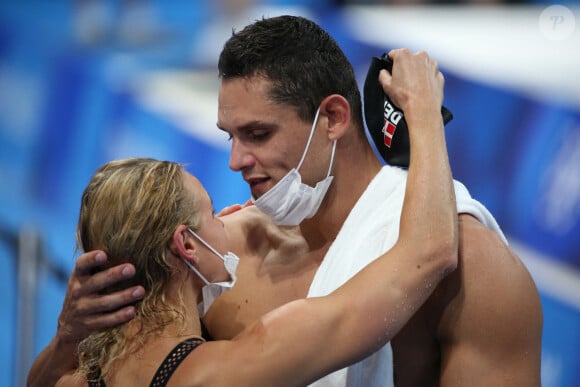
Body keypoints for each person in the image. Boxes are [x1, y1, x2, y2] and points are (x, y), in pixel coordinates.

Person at [28, 15, 542, 387]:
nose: (235, 160)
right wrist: (67, 337)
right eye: (229, 135)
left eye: (257, 133)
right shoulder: (221, 261)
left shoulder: (474, 269)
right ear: (183, 247)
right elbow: (423, 253)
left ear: (335, 118)